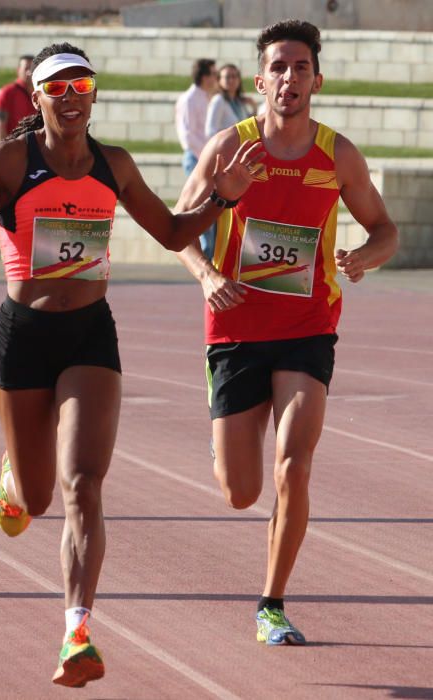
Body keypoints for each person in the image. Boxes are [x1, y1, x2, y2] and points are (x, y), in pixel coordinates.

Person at [0, 42, 262, 687]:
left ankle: (76, 630)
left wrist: (220, 200)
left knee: (83, 484)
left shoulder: (114, 165)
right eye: (60, 87)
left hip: (90, 336)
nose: (73, 96)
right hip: (24, 336)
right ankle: (13, 480)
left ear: (94, 94)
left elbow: (170, 233)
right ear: (38, 98)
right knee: (34, 496)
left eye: (83, 84)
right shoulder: (8, 161)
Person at [175, 20, 398, 646]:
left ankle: (271, 603)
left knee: (294, 466)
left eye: (301, 67)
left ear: (316, 80)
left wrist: (363, 257)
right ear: (259, 79)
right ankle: (223, 438)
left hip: (308, 327)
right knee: (241, 492)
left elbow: (385, 230)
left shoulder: (338, 155)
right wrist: (206, 271)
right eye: (278, 66)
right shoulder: (228, 147)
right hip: (236, 328)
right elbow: (176, 228)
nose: (289, 78)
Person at [175, 58, 218, 260]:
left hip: (204, 158)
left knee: (211, 210)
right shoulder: (190, 99)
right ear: (204, 76)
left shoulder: (205, 98)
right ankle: (206, 260)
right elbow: (188, 135)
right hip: (197, 158)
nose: (216, 79)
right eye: (213, 74)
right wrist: (207, 158)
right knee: (203, 210)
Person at [205, 63, 257, 138]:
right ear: (219, 80)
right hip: (227, 147)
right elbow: (210, 131)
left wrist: (254, 107)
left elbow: (248, 127)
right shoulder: (218, 100)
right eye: (227, 77)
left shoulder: (239, 101)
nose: (231, 80)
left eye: (234, 76)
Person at [0, 54, 36, 141]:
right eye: (26, 69)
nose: (29, 72)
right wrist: (4, 147)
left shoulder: (40, 92)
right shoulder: (8, 92)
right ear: (18, 70)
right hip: (14, 145)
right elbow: (0, 124)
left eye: (32, 69)